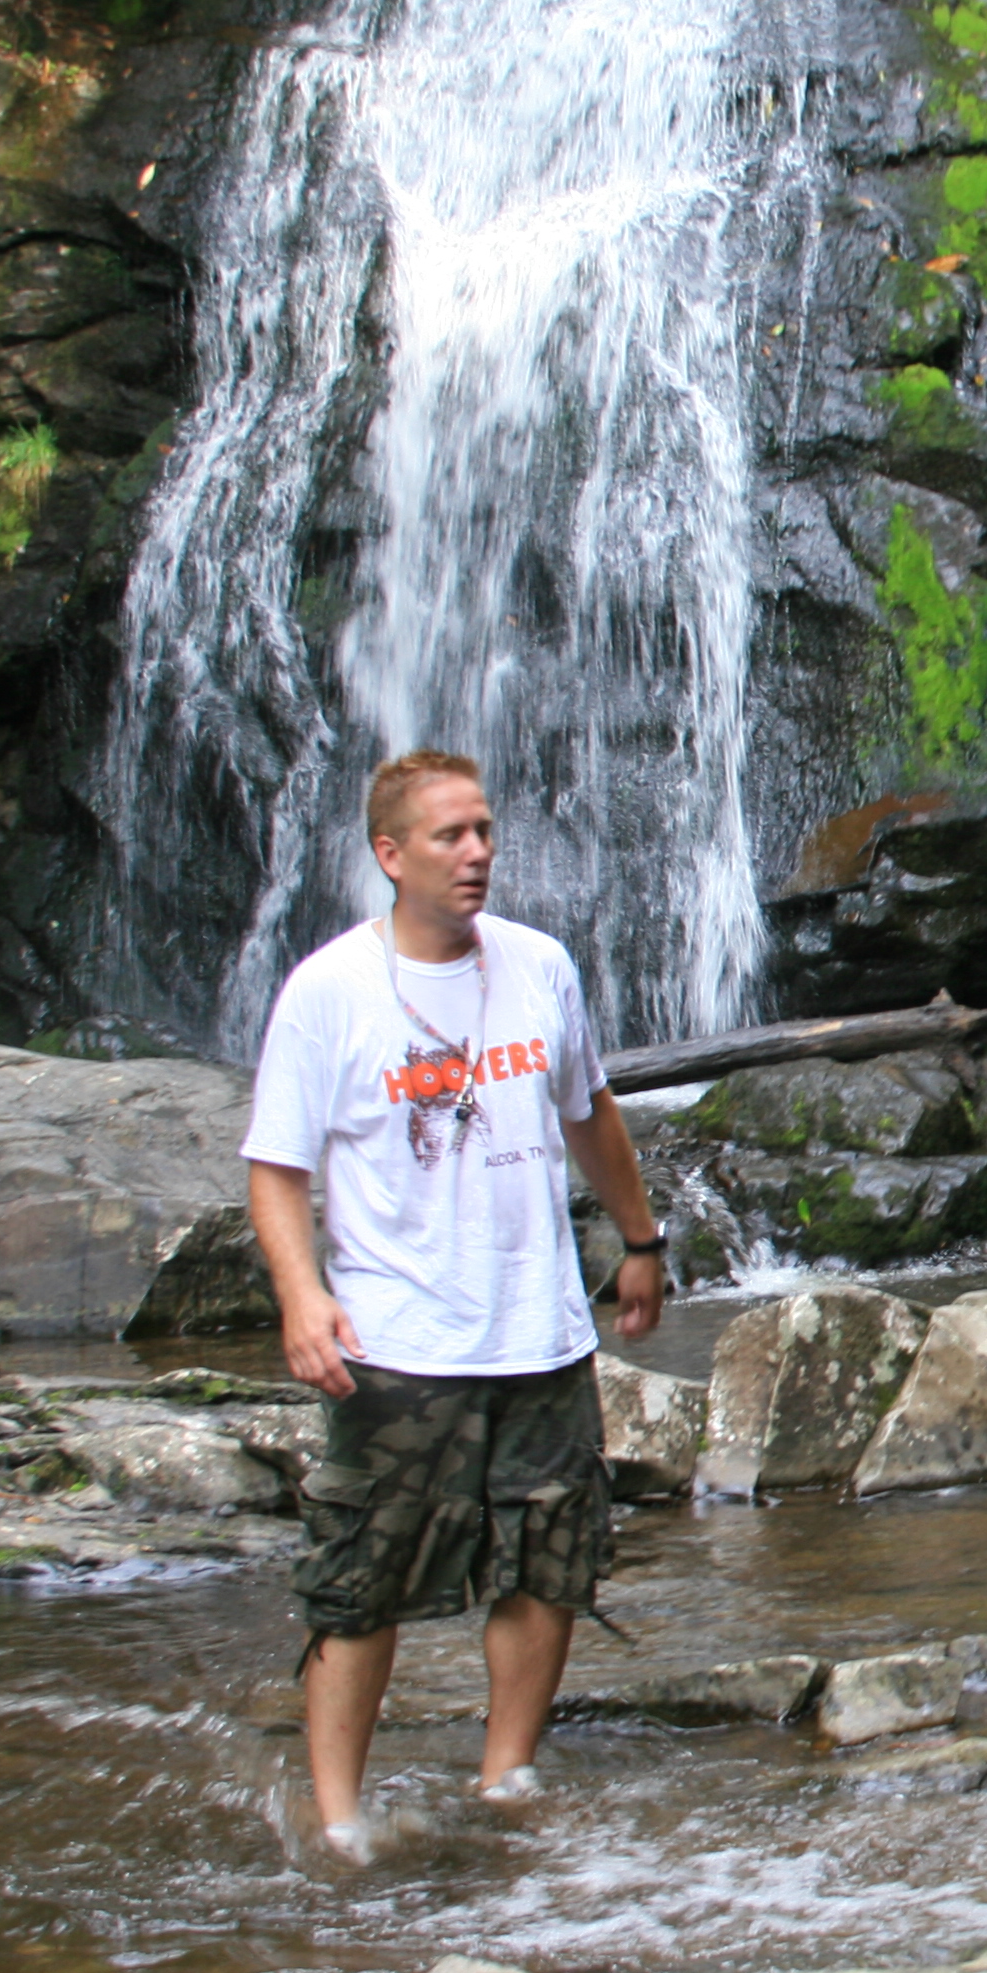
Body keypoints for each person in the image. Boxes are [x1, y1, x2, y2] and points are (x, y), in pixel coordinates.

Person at [241, 748, 670, 1860]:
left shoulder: (539, 965)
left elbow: (590, 1110)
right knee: (362, 1575)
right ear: (391, 854)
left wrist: (641, 1240)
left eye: (483, 830)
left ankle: (506, 1774)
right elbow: (276, 1165)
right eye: (450, 835)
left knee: (549, 1555)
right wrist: (301, 1295)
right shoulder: (328, 990)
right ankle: (340, 1817)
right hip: (399, 1340)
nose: (477, 852)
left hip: (539, 1329)